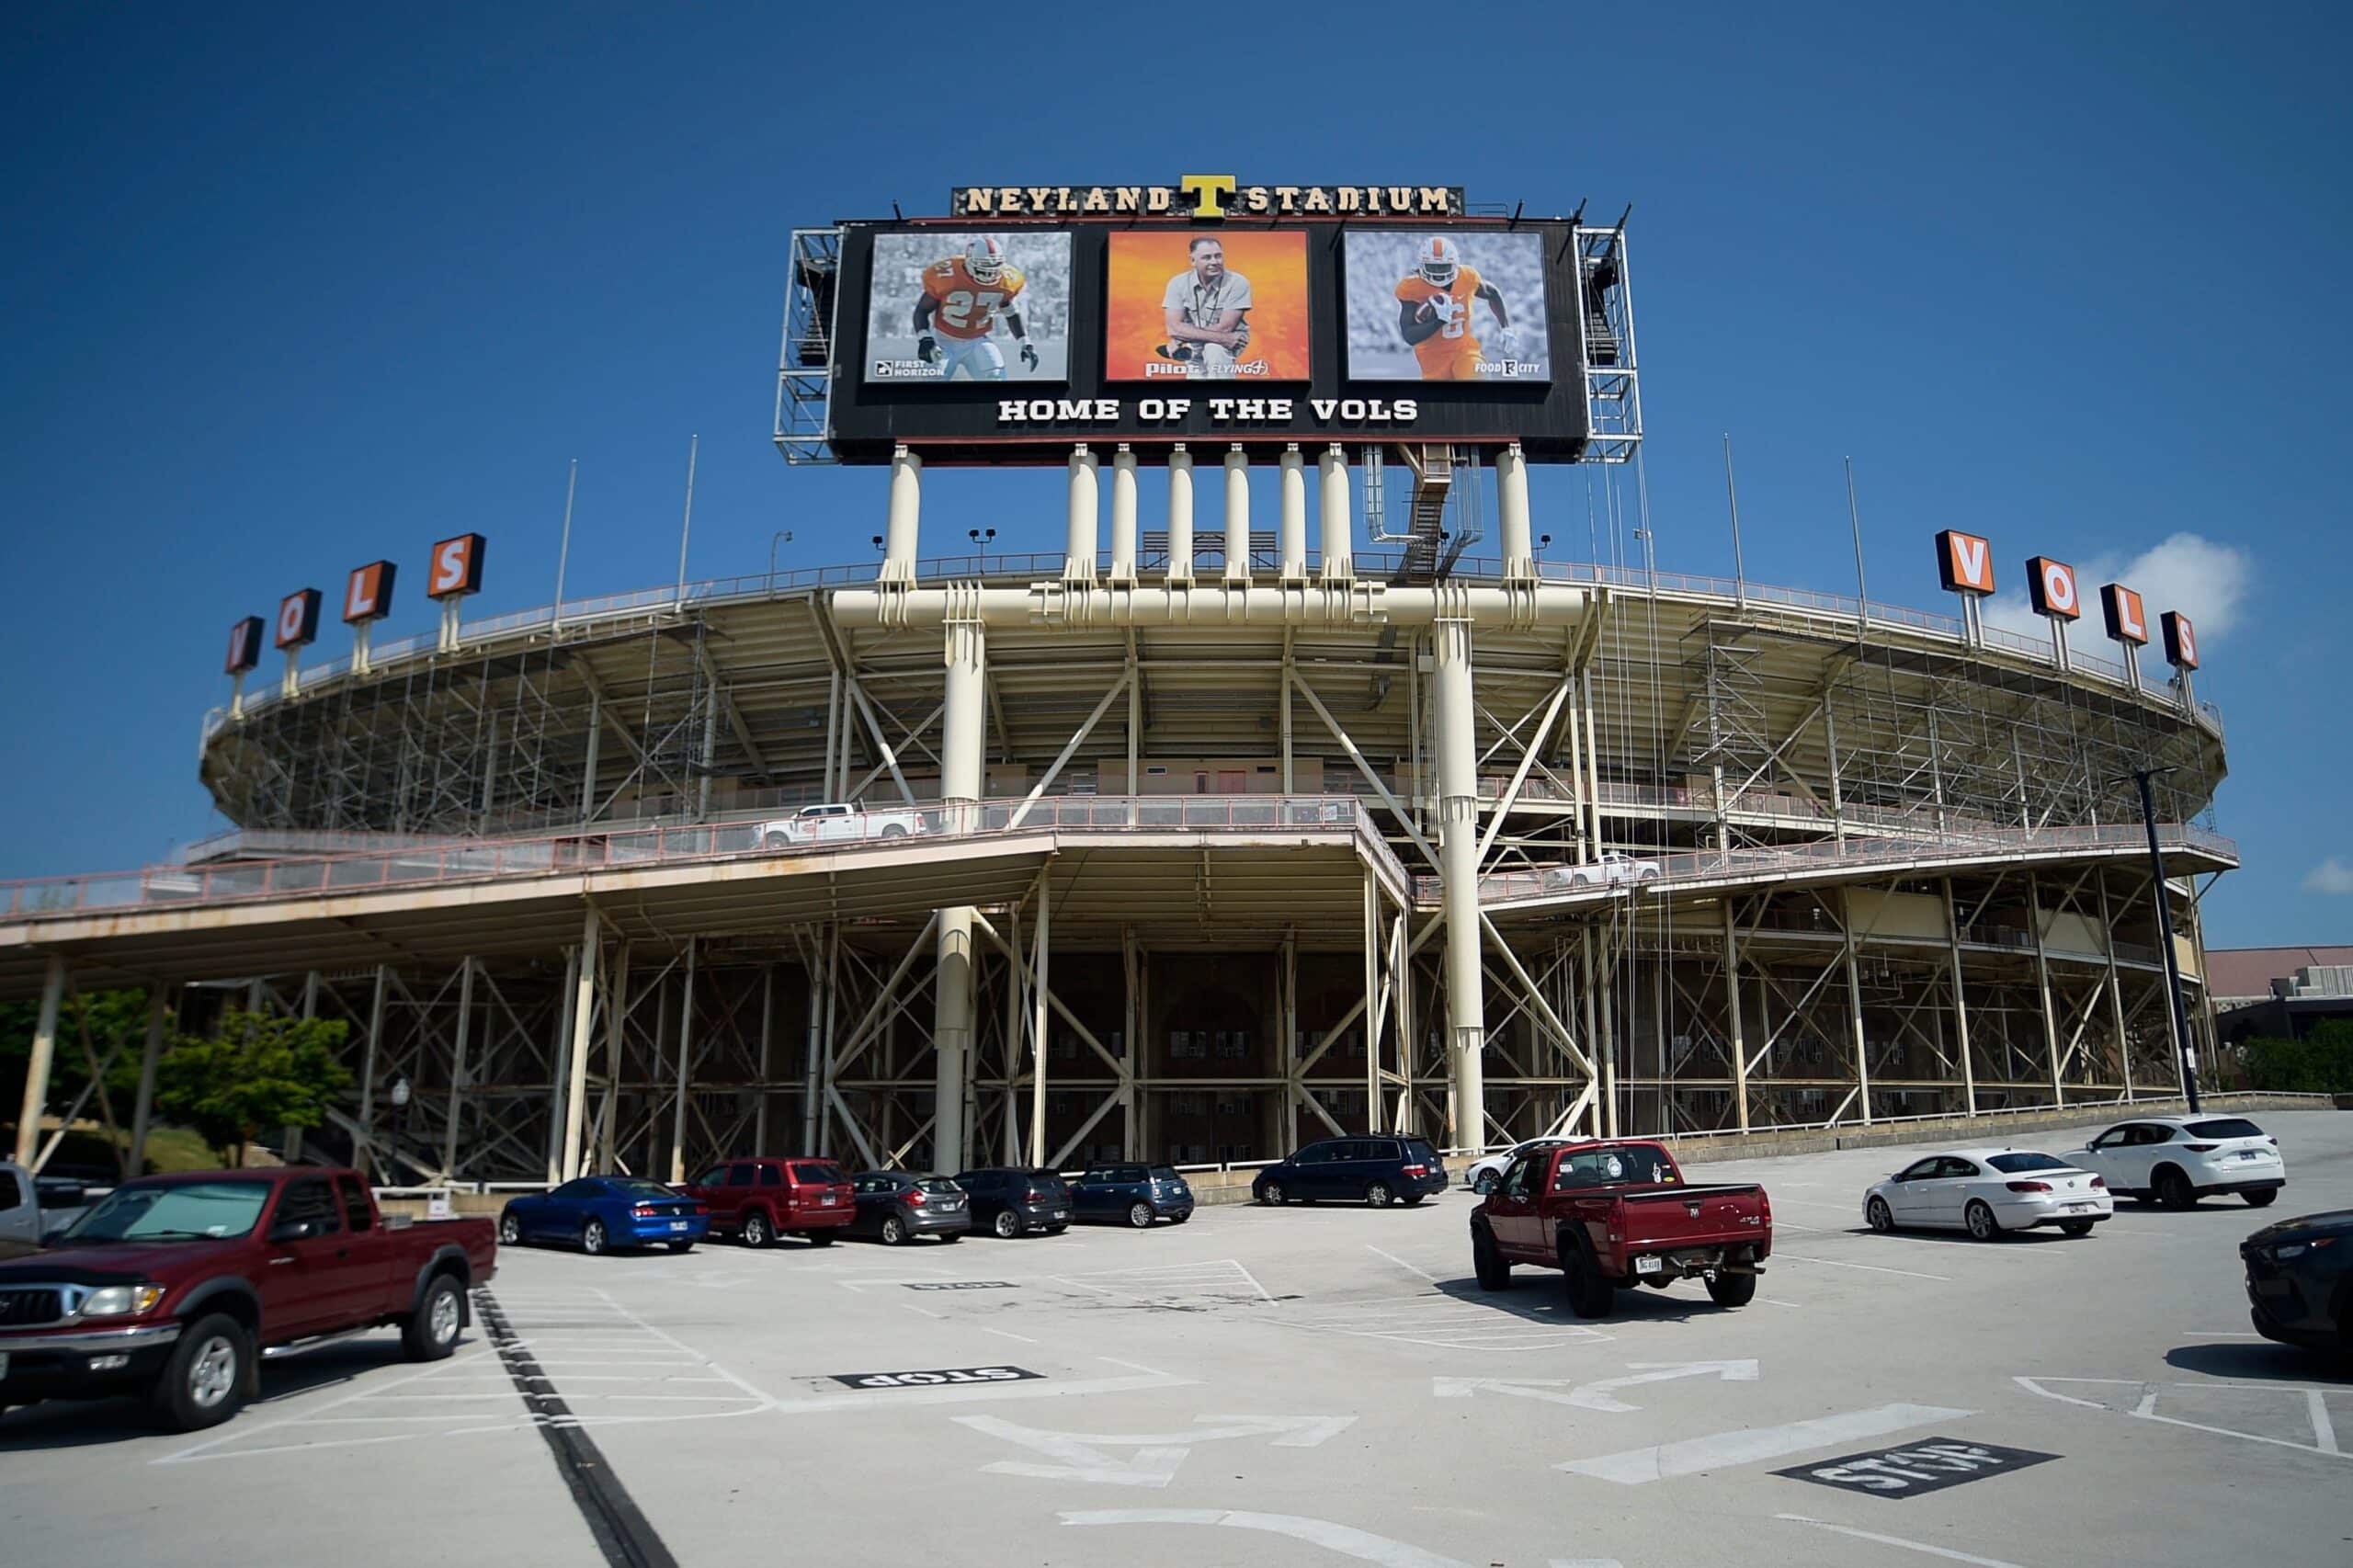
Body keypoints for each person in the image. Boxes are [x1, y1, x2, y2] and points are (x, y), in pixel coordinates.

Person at [911, 236, 1040, 381]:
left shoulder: (1007, 281)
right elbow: (922, 310)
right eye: (983, 270)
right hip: (943, 340)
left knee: (997, 381)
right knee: (930, 387)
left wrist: (1025, 342)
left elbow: (1010, 312)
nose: (990, 275)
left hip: (977, 340)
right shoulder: (946, 276)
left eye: (994, 269)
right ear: (969, 263)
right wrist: (925, 339)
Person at [1394, 236, 1516, 380]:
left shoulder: (1466, 277)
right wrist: (1439, 321)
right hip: (1433, 360)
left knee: (1479, 386)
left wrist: (1505, 327)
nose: (1438, 272)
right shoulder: (1412, 288)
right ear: (1422, 266)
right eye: (1433, 266)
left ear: (1455, 265)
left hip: (1465, 351)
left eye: (1443, 266)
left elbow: (1493, 293)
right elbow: (1409, 336)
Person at [1155, 237, 1253, 378]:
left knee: (1214, 349)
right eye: (1207, 257)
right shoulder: (1177, 283)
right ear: (1193, 261)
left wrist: (1179, 339)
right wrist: (1180, 338)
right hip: (1200, 343)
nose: (1214, 262)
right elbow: (1174, 328)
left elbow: (1225, 328)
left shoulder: (1238, 282)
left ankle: (1222, 399)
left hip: (1227, 343)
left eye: (1218, 256)